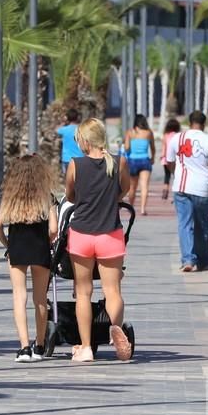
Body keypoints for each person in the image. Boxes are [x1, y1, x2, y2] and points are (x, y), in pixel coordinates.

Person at [65, 118, 131, 362]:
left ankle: (85, 347)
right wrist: (112, 198)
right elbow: (126, 187)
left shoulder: (75, 164)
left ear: (84, 139)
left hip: (81, 234)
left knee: (83, 293)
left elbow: (70, 195)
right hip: (110, 234)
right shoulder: (118, 162)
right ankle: (115, 332)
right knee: (112, 290)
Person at [0, 154, 58, 362]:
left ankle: (23, 348)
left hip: (17, 249)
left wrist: (7, 244)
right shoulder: (47, 197)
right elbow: (54, 229)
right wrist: (47, 241)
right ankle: (39, 346)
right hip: (40, 248)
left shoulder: (11, 197)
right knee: (39, 298)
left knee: (18, 296)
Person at [165, 111, 208, 273]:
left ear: (189, 123)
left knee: (185, 224)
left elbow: (169, 162)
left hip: (181, 188)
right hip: (202, 189)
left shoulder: (177, 138)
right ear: (204, 124)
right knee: (202, 226)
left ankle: (188, 259)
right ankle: (204, 261)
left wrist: (176, 173)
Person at [124, 114, 155, 215]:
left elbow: (127, 148)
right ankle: (142, 209)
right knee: (144, 186)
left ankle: (131, 207)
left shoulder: (130, 132)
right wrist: (152, 158)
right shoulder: (149, 132)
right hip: (145, 160)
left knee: (132, 187)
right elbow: (153, 148)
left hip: (132, 161)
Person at [57, 108, 84, 174]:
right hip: (79, 158)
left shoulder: (64, 130)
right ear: (77, 117)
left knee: (68, 181)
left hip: (67, 159)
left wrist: (63, 122)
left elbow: (56, 130)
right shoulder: (81, 129)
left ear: (67, 118)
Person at [160, 118, 181, 200]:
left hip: (166, 159)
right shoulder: (178, 135)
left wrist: (162, 156)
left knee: (167, 176)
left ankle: (165, 191)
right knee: (177, 176)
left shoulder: (165, 135)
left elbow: (164, 147)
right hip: (176, 159)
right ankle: (177, 193)